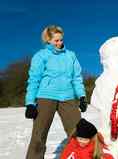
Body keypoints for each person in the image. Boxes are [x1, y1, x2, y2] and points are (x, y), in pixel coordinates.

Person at [24, 25, 87, 159]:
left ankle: (81, 156)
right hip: (46, 96)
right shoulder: (41, 56)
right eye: (56, 40)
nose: (59, 43)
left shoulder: (71, 56)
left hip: (68, 97)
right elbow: (34, 80)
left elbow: (76, 78)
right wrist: (30, 102)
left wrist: (81, 96)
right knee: (39, 135)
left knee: (78, 132)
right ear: (48, 40)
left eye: (61, 40)